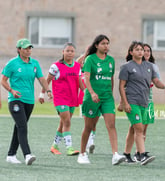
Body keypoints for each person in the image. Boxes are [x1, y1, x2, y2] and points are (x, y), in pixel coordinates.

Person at [119, 41, 165, 165]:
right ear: (131, 52)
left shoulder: (149, 66)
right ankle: (141, 155)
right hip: (132, 102)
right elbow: (121, 86)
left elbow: (156, 81)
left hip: (144, 102)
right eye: (137, 49)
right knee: (139, 128)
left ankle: (126, 154)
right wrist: (124, 102)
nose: (140, 52)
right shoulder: (126, 67)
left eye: (142, 50)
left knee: (134, 129)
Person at [1, 38, 52, 165]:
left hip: (29, 101)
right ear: (19, 50)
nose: (28, 50)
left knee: (19, 127)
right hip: (15, 100)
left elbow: (41, 79)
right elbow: (3, 80)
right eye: (25, 48)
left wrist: (48, 91)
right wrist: (12, 91)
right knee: (23, 126)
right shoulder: (12, 63)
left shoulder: (35, 63)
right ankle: (27, 154)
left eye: (30, 48)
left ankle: (11, 155)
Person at [77, 34, 125, 165]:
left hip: (107, 98)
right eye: (103, 43)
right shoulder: (90, 59)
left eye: (108, 43)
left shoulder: (111, 60)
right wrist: (92, 93)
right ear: (97, 45)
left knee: (111, 125)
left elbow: (110, 78)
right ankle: (82, 153)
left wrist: (111, 94)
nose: (106, 46)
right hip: (92, 97)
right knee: (89, 126)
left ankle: (115, 154)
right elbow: (86, 78)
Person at [39, 42, 84, 156]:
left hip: (72, 99)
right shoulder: (56, 66)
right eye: (67, 50)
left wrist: (88, 93)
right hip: (60, 99)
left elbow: (80, 83)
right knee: (67, 122)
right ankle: (69, 148)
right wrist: (42, 94)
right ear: (63, 52)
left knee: (63, 123)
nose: (69, 53)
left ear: (74, 53)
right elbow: (47, 80)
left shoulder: (77, 66)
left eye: (72, 51)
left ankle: (54, 146)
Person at [77, 54, 97, 154]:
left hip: (95, 96)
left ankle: (91, 141)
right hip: (84, 98)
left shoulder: (94, 68)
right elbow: (76, 62)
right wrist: (86, 53)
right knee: (87, 121)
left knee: (94, 122)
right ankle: (89, 142)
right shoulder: (81, 69)